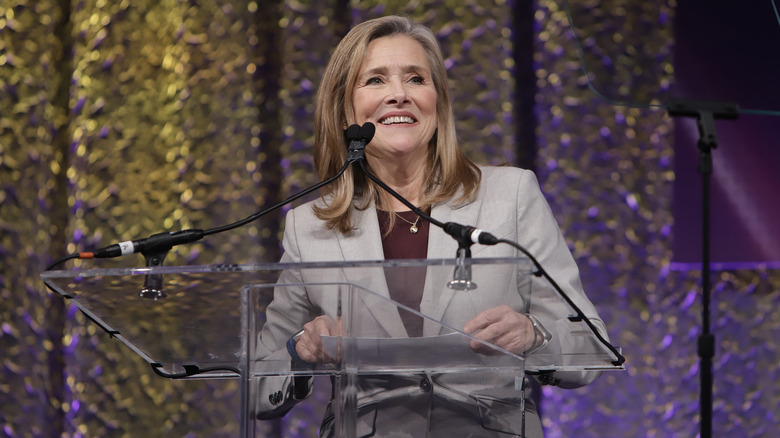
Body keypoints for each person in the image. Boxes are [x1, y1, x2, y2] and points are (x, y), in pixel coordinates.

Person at [254, 15, 611, 437]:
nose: (399, 95)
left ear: (438, 103)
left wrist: (533, 334)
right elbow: (259, 384)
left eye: (416, 79)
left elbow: (591, 349)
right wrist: (299, 351)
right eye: (375, 81)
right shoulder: (308, 227)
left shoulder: (511, 195)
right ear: (344, 107)